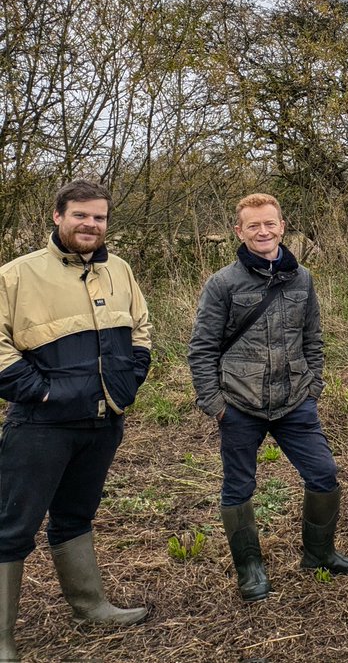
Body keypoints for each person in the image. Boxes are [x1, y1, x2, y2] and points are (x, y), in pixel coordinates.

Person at [187, 193, 348, 603]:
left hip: (295, 402)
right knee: (238, 488)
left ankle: (320, 555)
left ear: (282, 226)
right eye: (253, 225)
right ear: (239, 231)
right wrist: (215, 405)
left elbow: (313, 339)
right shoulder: (222, 284)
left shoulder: (302, 278)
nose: (263, 231)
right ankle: (250, 570)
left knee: (323, 474)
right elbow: (201, 349)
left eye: (270, 223)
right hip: (239, 405)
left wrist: (313, 387)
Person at [0, 180, 151, 661]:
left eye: (99, 217)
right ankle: (2, 638)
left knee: (76, 515)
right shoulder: (16, 275)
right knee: (12, 527)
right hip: (40, 425)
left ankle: (90, 607)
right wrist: (43, 391)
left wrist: (129, 381)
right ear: (57, 216)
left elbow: (141, 329)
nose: (91, 224)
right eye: (81, 215)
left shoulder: (120, 270)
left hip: (104, 419)